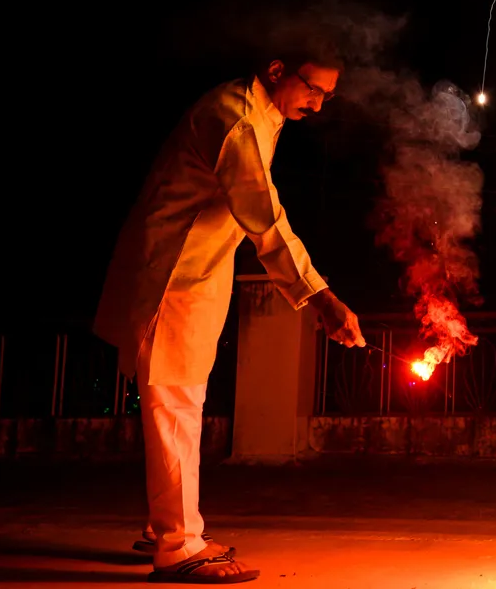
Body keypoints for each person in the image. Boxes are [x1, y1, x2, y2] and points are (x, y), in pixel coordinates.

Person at [94, 48, 366, 584]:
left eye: (327, 96)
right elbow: (264, 218)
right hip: (172, 277)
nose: (317, 105)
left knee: (180, 406)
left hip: (194, 276)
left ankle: (167, 526)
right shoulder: (236, 120)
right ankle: (177, 547)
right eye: (312, 89)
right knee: (175, 408)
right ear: (275, 69)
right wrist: (321, 298)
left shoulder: (261, 114)